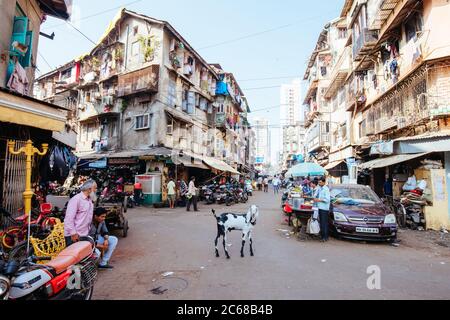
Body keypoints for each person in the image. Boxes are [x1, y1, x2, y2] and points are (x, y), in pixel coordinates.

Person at [64, 180, 97, 246]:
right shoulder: (76, 199)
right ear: (89, 189)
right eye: (95, 188)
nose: (96, 190)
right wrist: (73, 233)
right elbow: (69, 219)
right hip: (74, 235)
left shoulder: (89, 200)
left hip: (84, 234)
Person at [314, 177, 331, 242]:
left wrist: (318, 200)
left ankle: (325, 237)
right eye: (319, 182)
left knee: (324, 223)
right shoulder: (319, 188)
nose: (319, 183)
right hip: (320, 207)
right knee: (321, 223)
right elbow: (316, 195)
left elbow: (327, 200)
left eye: (320, 182)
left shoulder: (326, 189)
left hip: (324, 208)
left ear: (324, 182)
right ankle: (323, 236)